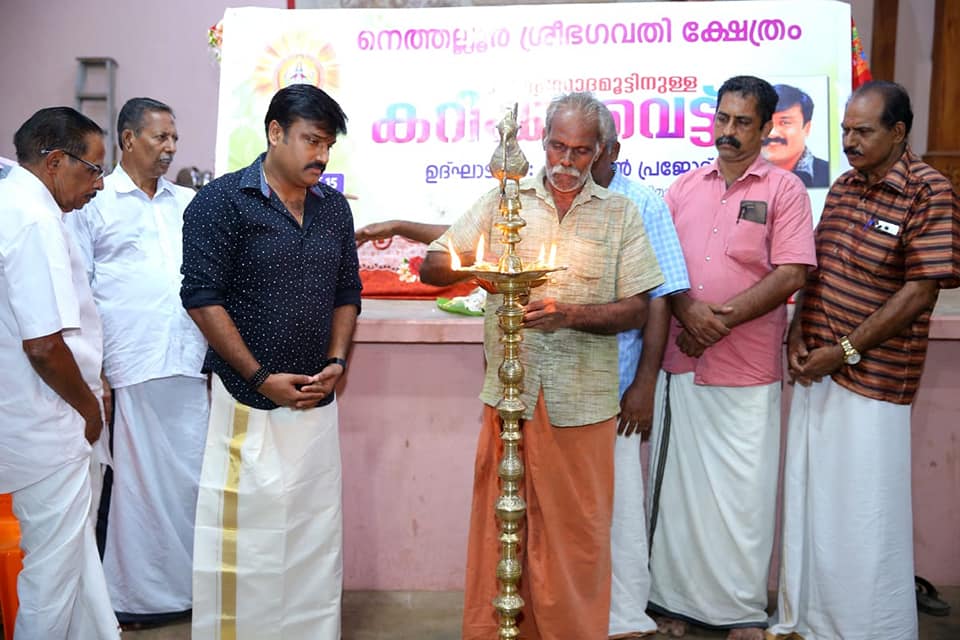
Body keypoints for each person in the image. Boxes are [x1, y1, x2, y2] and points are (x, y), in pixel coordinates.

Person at [420, 91, 664, 640]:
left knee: (575, 541)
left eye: (580, 151)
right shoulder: (503, 201)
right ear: (543, 141)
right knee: (501, 529)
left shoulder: (620, 214)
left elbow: (637, 309)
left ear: (601, 152)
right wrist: (480, 271)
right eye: (557, 146)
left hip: (583, 402)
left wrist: (569, 315)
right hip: (511, 397)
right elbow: (433, 266)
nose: (566, 162)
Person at [768, 81, 960, 640]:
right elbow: (817, 267)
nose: (849, 141)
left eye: (863, 131)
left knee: (863, 513)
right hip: (818, 371)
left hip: (875, 380)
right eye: (845, 130)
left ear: (898, 133)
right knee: (817, 504)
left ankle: (868, 628)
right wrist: (798, 332)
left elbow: (920, 291)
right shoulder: (845, 187)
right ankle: (813, 622)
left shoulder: (929, 191)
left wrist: (845, 351)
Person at [181, 83, 361, 639]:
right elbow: (201, 299)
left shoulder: (333, 209)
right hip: (247, 402)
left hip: (315, 401)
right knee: (248, 540)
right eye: (312, 140)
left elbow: (347, 292)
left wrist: (337, 362)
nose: (321, 155)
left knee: (311, 535)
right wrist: (259, 376)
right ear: (275, 133)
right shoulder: (221, 202)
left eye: (328, 145)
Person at [646, 76, 816, 640]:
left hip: (746, 369)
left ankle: (741, 611)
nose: (729, 131)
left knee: (744, 497)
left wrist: (715, 322)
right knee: (678, 497)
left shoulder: (785, 190)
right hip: (682, 362)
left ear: (766, 129)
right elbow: (660, 263)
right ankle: (670, 604)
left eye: (743, 122)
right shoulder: (683, 187)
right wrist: (687, 311)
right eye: (723, 118)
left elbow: (791, 273)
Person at [66, 97, 209, 627]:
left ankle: (190, 592)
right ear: (128, 139)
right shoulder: (96, 202)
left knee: (189, 482)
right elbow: (79, 288)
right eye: (160, 137)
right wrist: (94, 369)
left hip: (187, 361)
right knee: (133, 489)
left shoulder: (188, 203)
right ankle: (136, 599)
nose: (171, 147)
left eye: (174, 138)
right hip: (127, 367)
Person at [0, 106, 120, 638]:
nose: (100, 183)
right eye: (93, 169)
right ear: (54, 162)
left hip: (28, 413)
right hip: (50, 421)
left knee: (74, 565)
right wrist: (89, 409)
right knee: (52, 576)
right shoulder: (35, 219)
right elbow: (45, 346)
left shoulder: (14, 202)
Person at [762, 84, 830, 188]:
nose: (772, 133)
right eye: (766, 122)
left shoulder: (830, 174)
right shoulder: (739, 172)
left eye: (785, 122)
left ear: (807, 128)